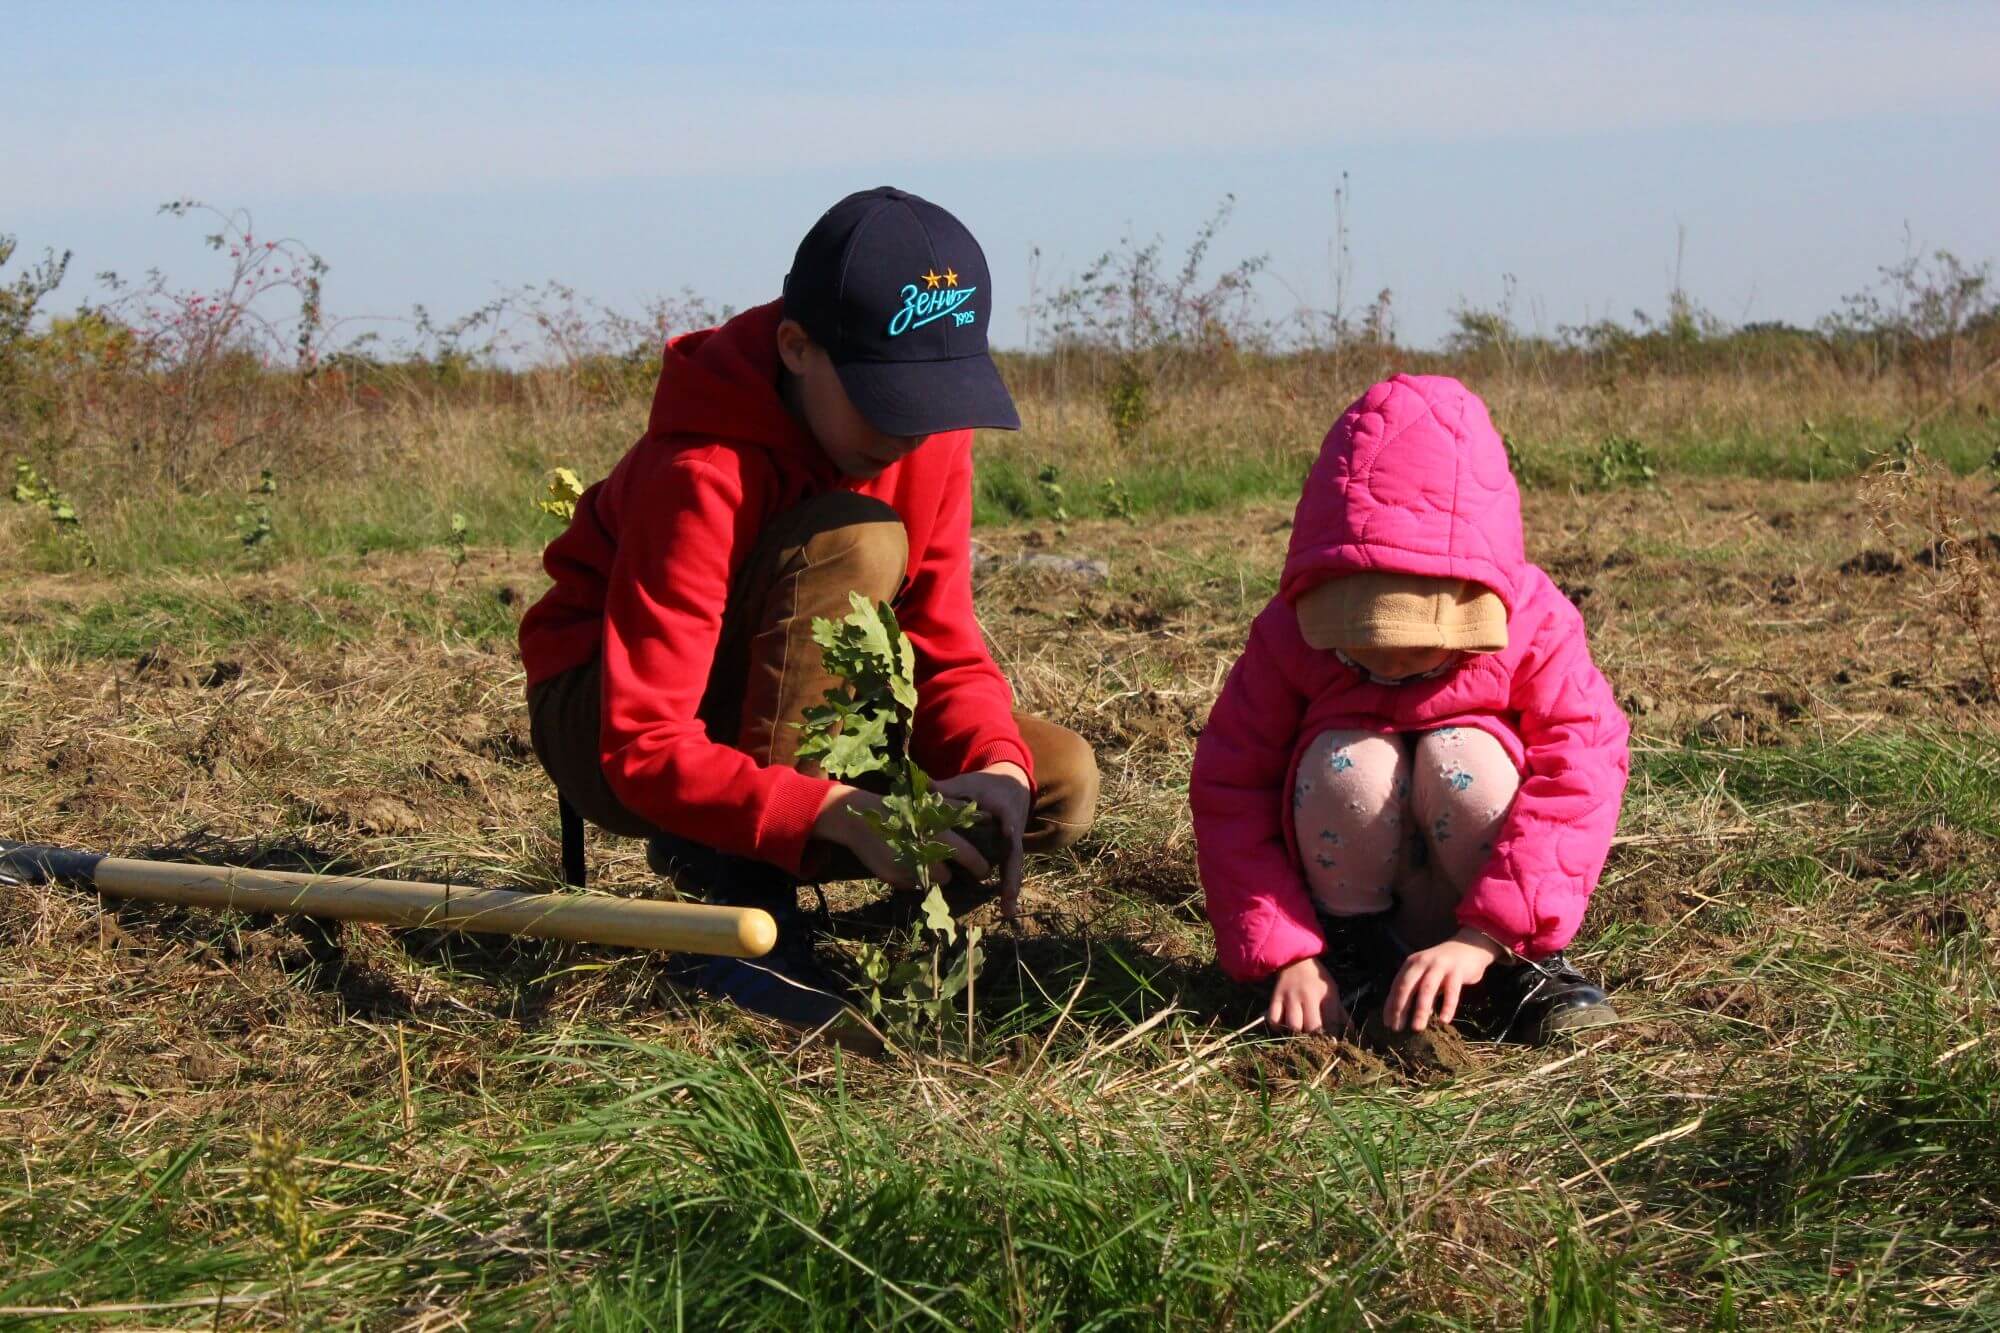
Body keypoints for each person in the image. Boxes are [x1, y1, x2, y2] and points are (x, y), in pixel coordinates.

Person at [518, 187, 1099, 1036]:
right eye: (883, 399)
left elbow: (939, 637)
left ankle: (814, 896)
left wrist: (996, 764)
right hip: (604, 716)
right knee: (853, 540)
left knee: (1058, 782)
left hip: (778, 708)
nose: (908, 435)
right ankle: (746, 919)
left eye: (930, 400)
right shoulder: (706, 465)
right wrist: (829, 812)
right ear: (797, 348)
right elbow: (642, 743)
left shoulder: (926, 434)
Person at [1188, 374, 1628, 1043]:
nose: (1391, 666)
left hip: (1484, 907)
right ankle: (1354, 962)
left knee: (1466, 759)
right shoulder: (1287, 634)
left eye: (1424, 646)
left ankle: (1522, 970)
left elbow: (1582, 773)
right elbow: (1231, 786)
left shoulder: (1536, 624)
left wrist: (1487, 937)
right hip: (1348, 895)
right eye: (1362, 641)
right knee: (1349, 765)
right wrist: (1289, 952)